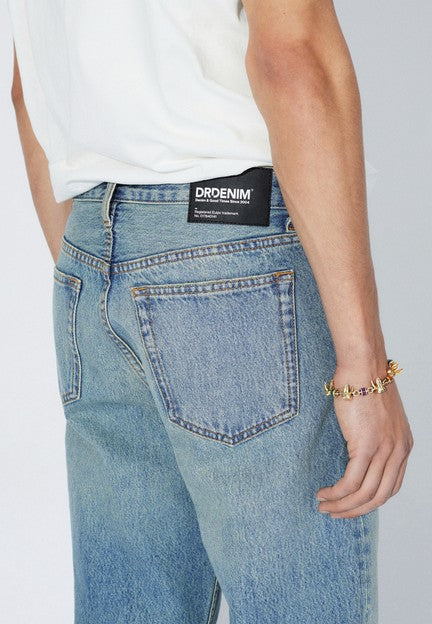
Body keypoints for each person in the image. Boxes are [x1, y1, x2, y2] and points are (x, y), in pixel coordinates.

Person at [8, 1, 413, 622]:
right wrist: (365, 367)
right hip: (231, 248)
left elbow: (26, 91)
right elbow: (292, 57)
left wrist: (112, 275)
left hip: (87, 262)